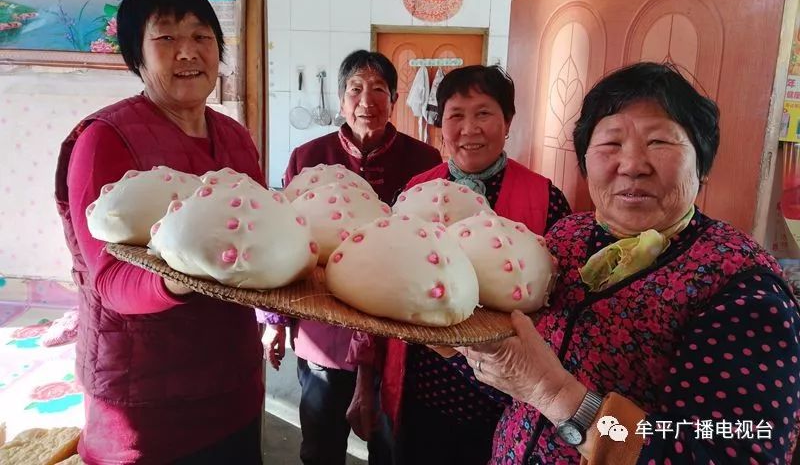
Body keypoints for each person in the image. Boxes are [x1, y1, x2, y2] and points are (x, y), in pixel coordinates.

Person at [458, 62, 800, 464]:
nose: (633, 164)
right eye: (610, 144)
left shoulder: (741, 285)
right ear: (585, 162)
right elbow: (512, 370)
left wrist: (556, 395)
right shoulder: (565, 238)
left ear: (702, 165)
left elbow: (729, 454)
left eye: (659, 142)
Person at [54, 0, 264, 463]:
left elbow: (253, 245)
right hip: (146, 402)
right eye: (166, 38)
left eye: (202, 36)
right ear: (137, 56)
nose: (188, 51)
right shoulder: (105, 140)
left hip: (233, 383)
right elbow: (109, 279)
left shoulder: (233, 136)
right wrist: (185, 271)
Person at [375, 65, 571, 465]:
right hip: (422, 384)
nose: (470, 128)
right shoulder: (415, 191)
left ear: (508, 121)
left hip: (507, 397)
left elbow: (561, 298)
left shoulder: (546, 197)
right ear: (440, 124)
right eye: (456, 116)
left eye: (483, 113)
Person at [265, 50, 442, 465]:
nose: (368, 100)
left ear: (394, 99)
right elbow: (284, 241)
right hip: (324, 330)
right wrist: (274, 320)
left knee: (390, 446)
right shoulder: (307, 158)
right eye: (356, 89)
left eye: (380, 89)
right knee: (321, 445)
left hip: (398, 331)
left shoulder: (424, 162)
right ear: (342, 100)